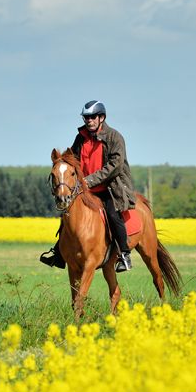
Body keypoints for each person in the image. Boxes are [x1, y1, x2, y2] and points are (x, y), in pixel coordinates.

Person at [41, 100, 136, 272]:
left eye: (92, 117)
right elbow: (73, 160)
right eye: (86, 118)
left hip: (110, 189)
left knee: (113, 215)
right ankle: (59, 253)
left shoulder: (115, 137)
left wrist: (89, 181)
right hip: (85, 190)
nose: (89, 120)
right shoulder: (80, 137)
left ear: (101, 118)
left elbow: (114, 166)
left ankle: (124, 254)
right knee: (68, 215)